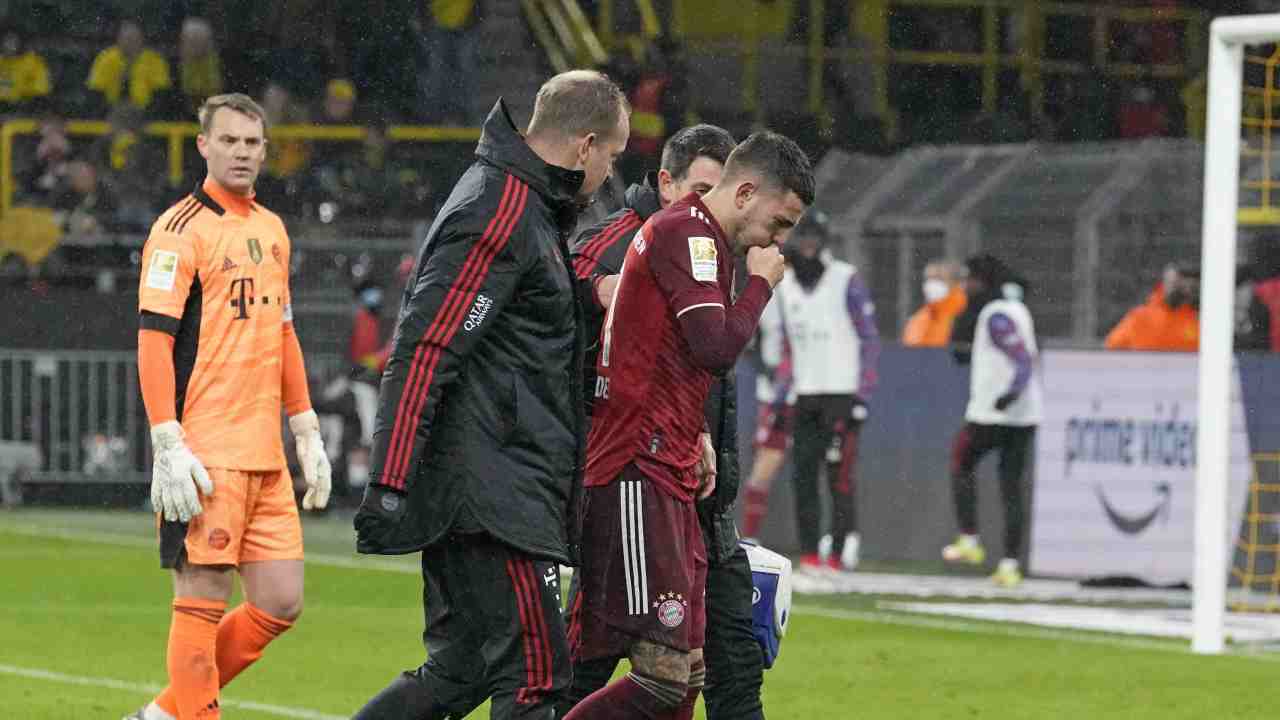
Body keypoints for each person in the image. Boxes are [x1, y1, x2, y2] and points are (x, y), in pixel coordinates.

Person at [349, 69, 630, 720]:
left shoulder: (527, 206)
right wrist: (389, 480)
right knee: (536, 677)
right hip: (494, 494)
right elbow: (428, 345)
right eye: (612, 156)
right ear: (585, 145)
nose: (610, 173)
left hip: (497, 482)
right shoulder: (501, 208)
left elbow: (514, 329)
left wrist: (587, 298)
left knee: (461, 670)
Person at [565, 131, 813, 720]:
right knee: (660, 676)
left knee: (688, 673)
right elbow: (714, 347)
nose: (779, 241)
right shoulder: (688, 233)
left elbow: (674, 356)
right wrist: (760, 284)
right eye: (779, 223)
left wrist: (695, 433)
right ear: (745, 193)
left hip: (669, 467)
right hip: (635, 468)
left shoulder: (705, 241)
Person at [125, 93, 332, 720]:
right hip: (205, 452)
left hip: (265, 453)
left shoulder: (272, 229)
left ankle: (163, 713)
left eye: (252, 142)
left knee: (280, 601)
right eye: (229, 140)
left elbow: (284, 332)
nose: (241, 152)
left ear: (265, 150)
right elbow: (153, 341)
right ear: (203, 146)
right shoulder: (178, 230)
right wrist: (167, 441)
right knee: (202, 600)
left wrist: (305, 428)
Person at [757, 209, 880, 572]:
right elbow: (788, 349)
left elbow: (868, 339)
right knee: (803, 476)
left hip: (842, 393)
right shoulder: (786, 286)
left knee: (839, 476)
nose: (808, 246)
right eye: (803, 238)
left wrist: (862, 395)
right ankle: (810, 552)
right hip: (805, 394)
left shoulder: (845, 279)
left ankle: (839, 552)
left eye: (815, 238)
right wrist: (781, 396)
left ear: (824, 241)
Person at [941, 254, 1042, 588]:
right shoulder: (1017, 309)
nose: (965, 286)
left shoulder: (996, 316)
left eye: (969, 279)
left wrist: (1009, 394)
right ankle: (1010, 565)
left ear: (982, 281)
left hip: (995, 412)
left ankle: (969, 538)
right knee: (1011, 487)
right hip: (1025, 415)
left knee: (961, 460)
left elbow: (1022, 360)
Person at [1104, 262, 1199, 351]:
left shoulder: (1197, 319)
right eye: (1174, 283)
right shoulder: (1140, 317)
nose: (1184, 287)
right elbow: (1111, 348)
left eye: (1191, 285)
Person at [87, 19, 173, 116]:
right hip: (111, 113)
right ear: (118, 39)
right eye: (126, 38)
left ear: (142, 39)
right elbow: (95, 93)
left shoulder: (155, 60)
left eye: (134, 39)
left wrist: (147, 113)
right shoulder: (105, 58)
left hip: (145, 114)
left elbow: (161, 95)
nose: (129, 43)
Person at [903, 259, 967, 347]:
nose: (932, 283)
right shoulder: (920, 317)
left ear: (954, 281)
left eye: (938, 278)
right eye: (928, 278)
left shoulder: (963, 313)